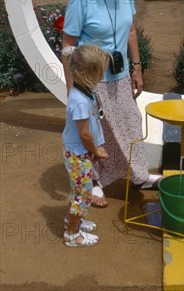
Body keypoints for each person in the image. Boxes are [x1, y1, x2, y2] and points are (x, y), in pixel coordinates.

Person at [62, 0, 160, 208]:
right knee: (94, 131)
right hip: (91, 79)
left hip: (121, 72)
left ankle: (139, 174)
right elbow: (68, 45)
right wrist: (72, 89)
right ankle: (93, 182)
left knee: (131, 123)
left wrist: (137, 68)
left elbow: (130, 29)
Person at [62, 44, 110, 247]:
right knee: (81, 195)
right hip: (79, 154)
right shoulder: (80, 100)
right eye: (98, 73)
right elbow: (84, 133)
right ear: (84, 73)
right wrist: (95, 150)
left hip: (79, 154)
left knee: (80, 192)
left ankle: (74, 222)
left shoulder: (83, 90)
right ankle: (72, 234)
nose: (101, 77)